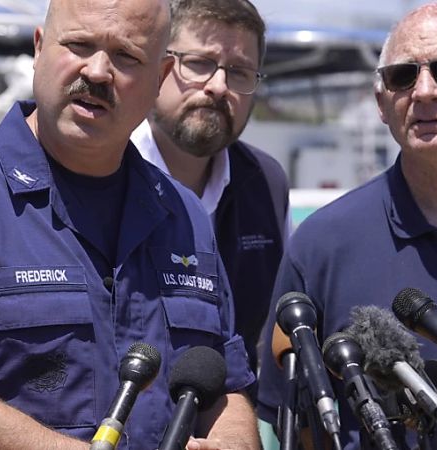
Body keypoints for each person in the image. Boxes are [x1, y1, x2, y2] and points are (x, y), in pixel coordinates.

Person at [0, 0, 261, 449]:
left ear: (159, 77)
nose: (97, 71)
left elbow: (225, 387)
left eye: (126, 57)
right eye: (78, 44)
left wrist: (234, 441)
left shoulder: (184, 216)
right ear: (39, 49)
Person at [256, 3, 437, 449]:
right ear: (381, 102)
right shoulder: (321, 246)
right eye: (403, 77)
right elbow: (290, 425)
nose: (425, 92)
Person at [131, 0, 288, 380]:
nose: (218, 86)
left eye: (239, 72)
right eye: (199, 63)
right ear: (160, 65)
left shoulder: (266, 183)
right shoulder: (104, 170)